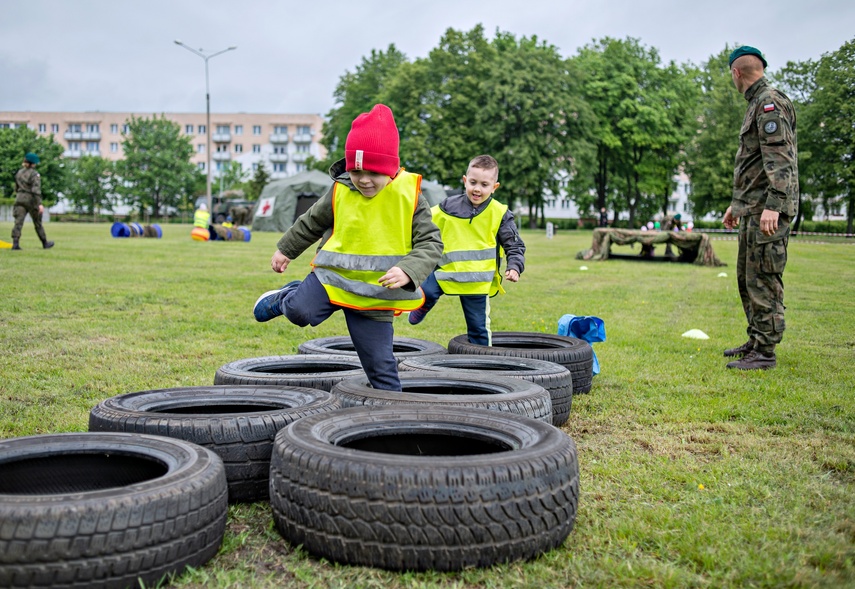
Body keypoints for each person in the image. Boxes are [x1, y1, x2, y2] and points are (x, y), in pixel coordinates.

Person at [252, 104, 442, 391]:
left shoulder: (410, 197)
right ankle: (285, 297)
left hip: (375, 293)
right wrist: (286, 249)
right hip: (331, 280)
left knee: (380, 366)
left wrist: (408, 269)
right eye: (356, 170)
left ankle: (394, 414)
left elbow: (431, 242)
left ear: (390, 169)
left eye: (373, 172)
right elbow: (311, 222)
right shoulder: (340, 189)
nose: (363, 180)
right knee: (299, 312)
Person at [722, 46, 798, 370]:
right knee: (748, 278)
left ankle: (765, 352)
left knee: (764, 277)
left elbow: (780, 158)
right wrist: (737, 205)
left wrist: (775, 206)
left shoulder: (769, 103)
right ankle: (756, 339)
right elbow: (753, 164)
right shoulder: (756, 103)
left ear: (736, 73)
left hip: (767, 211)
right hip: (753, 208)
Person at [408, 155, 525, 346]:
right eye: (473, 182)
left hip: (476, 282)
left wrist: (515, 266)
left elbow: (514, 245)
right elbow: (423, 222)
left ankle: (481, 363)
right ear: (465, 181)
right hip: (445, 272)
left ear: (494, 187)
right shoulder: (447, 207)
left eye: (484, 184)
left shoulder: (499, 213)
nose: (477, 189)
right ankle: (422, 307)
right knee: (423, 292)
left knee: (478, 328)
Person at [11, 153, 53, 250]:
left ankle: (15, 243)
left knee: (18, 222)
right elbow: (36, 190)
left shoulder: (19, 173)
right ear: (33, 164)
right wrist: (39, 204)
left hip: (20, 198)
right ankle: (45, 243)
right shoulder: (34, 174)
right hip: (31, 200)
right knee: (37, 222)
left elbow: (16, 188)